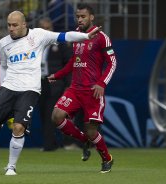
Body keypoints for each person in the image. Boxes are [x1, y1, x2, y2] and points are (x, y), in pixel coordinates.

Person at [0, 10, 100, 176]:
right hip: (8, 88)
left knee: (18, 127)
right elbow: (3, 66)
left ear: (24, 24)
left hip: (30, 90)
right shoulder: (3, 43)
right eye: (9, 25)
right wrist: (3, 85)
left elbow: (64, 36)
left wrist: (86, 37)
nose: (11, 28)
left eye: (15, 25)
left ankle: (11, 167)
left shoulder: (39, 35)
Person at [48, 3, 117, 173]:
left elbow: (112, 63)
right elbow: (74, 61)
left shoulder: (101, 37)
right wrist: (57, 75)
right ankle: (83, 139)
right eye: (77, 16)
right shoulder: (77, 36)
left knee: (91, 129)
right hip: (75, 89)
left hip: (92, 90)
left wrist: (101, 83)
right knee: (56, 116)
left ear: (91, 17)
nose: (79, 19)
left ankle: (107, 158)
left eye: (83, 16)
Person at [38, 17, 73, 151]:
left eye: (48, 29)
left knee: (50, 114)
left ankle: (51, 145)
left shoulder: (60, 44)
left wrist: (67, 85)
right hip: (40, 82)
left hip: (55, 83)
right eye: (43, 29)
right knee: (43, 113)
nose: (46, 31)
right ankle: (51, 143)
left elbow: (68, 65)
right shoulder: (35, 45)